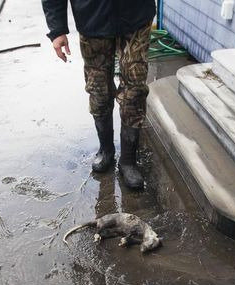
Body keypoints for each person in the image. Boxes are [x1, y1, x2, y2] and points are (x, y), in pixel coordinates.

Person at [42, 0, 157, 190]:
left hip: (135, 14)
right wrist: (57, 29)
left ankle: (128, 160)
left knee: (135, 90)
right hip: (92, 18)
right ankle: (106, 149)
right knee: (98, 90)